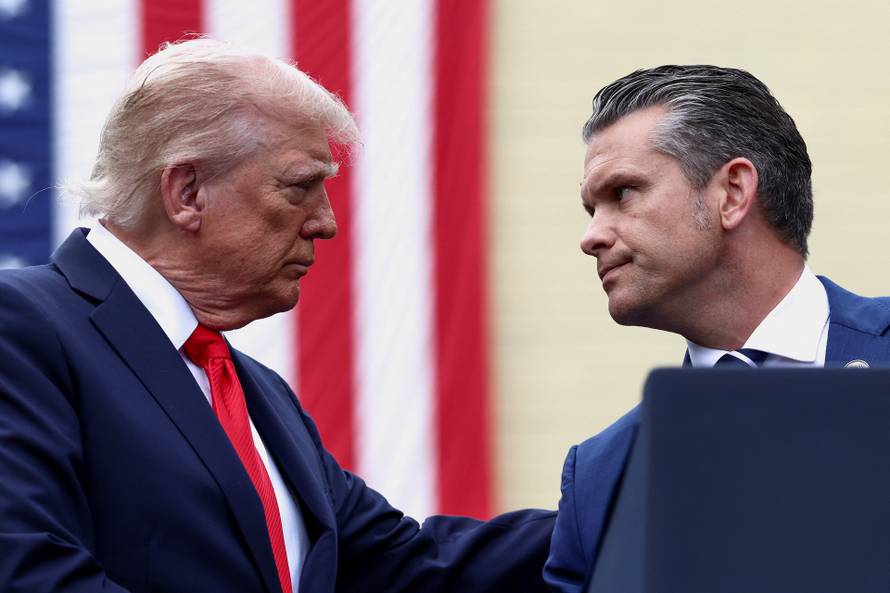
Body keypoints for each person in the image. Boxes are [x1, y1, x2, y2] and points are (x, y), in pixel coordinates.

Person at [0, 39, 555, 593]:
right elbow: (29, 573)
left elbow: (410, 567)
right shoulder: (21, 327)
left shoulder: (256, 394)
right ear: (186, 192)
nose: (326, 223)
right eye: (300, 187)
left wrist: (618, 485)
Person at [542, 65, 890, 593]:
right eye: (592, 209)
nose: (591, 236)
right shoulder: (599, 475)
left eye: (624, 193)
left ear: (732, 192)